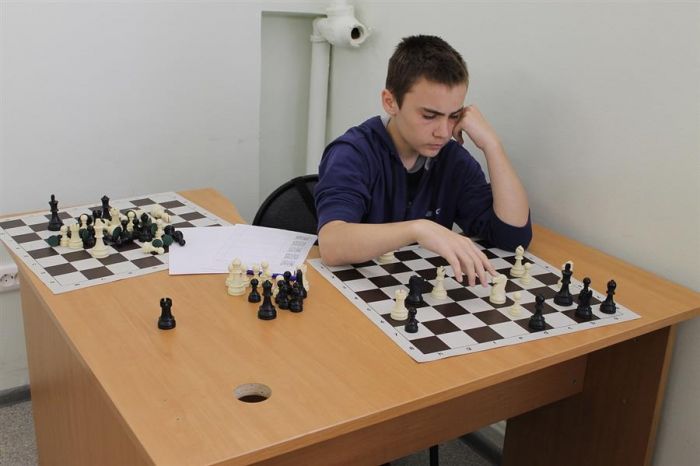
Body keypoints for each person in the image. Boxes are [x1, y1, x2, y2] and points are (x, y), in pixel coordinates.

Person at [314, 35, 532, 286]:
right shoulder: (353, 153)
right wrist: (418, 229)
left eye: (454, 116)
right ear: (390, 102)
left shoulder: (452, 159)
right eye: (429, 116)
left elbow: (513, 237)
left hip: (417, 294)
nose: (443, 132)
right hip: (352, 293)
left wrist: (492, 146)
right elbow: (332, 244)